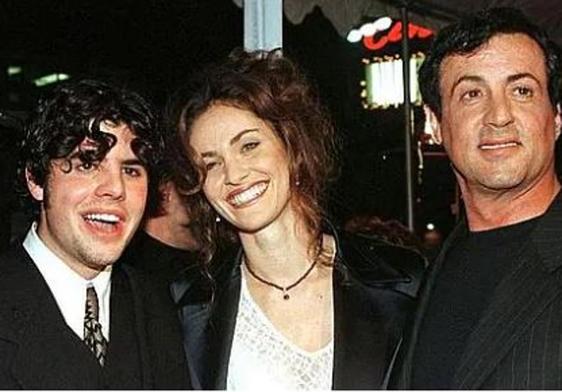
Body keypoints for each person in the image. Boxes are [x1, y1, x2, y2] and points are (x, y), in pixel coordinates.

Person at [169, 50, 425, 390]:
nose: (234, 174)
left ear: (292, 146)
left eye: (248, 146)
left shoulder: (401, 281)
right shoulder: (188, 307)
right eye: (211, 163)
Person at [391, 7, 562, 389]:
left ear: (557, 117)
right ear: (435, 124)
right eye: (471, 94)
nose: (499, 115)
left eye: (521, 90)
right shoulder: (432, 271)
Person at [0, 79, 191, 389]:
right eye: (88, 164)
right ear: (36, 180)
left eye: (131, 170)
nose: (116, 188)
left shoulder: (155, 305)